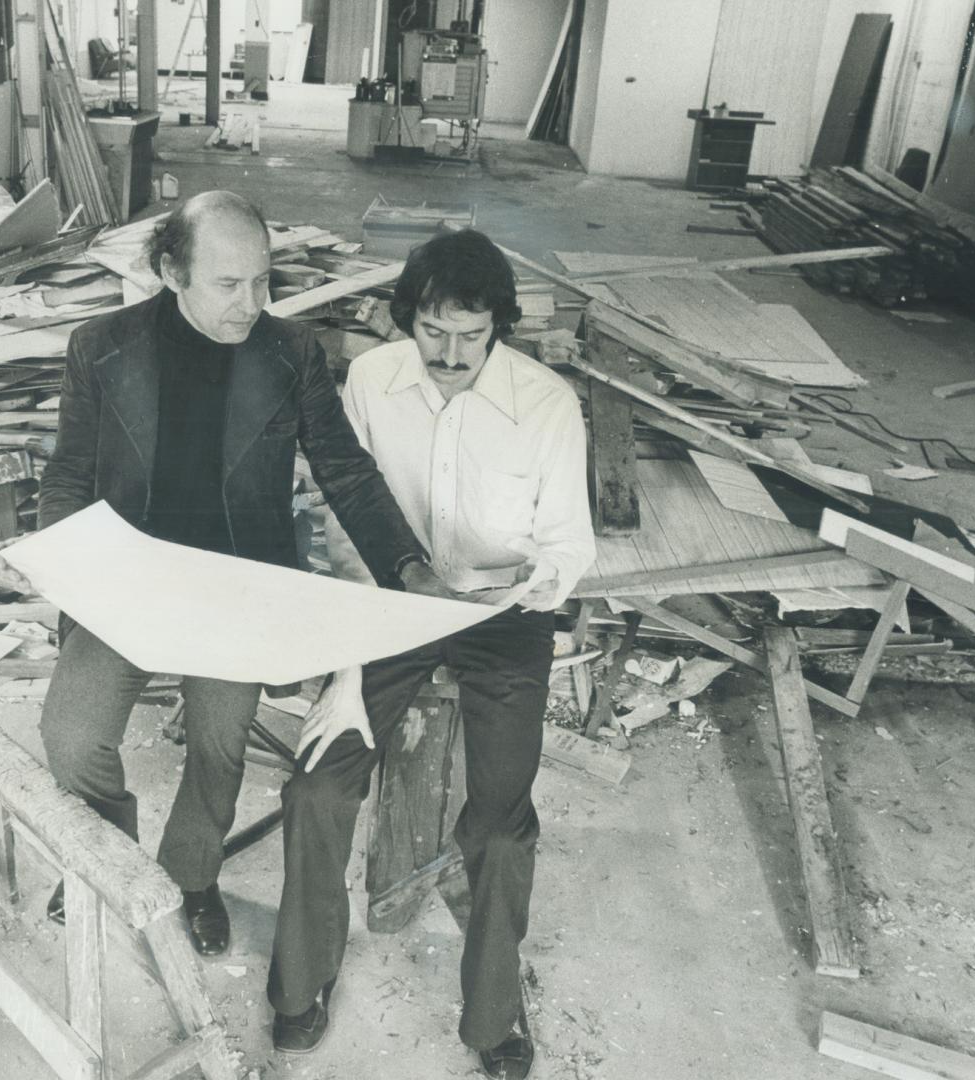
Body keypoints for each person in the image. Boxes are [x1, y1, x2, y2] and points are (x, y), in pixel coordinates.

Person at [32, 190, 453, 956]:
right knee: (71, 736)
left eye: (264, 281)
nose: (252, 303)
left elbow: (346, 474)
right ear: (171, 271)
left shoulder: (289, 354)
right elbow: (68, 476)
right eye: (229, 285)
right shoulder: (101, 346)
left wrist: (409, 567)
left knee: (220, 741)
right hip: (128, 583)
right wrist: (73, 564)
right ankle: (107, 857)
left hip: (236, 585)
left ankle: (192, 877)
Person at [265, 229, 596, 1078]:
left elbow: (570, 544)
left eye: (472, 338)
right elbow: (343, 515)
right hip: (387, 602)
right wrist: (344, 661)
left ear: (501, 329)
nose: (450, 357)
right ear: (404, 318)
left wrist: (534, 580)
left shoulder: (549, 403)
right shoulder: (372, 380)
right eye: (433, 334)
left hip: (502, 613)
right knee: (316, 784)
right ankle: (302, 980)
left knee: (501, 816)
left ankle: (492, 1017)